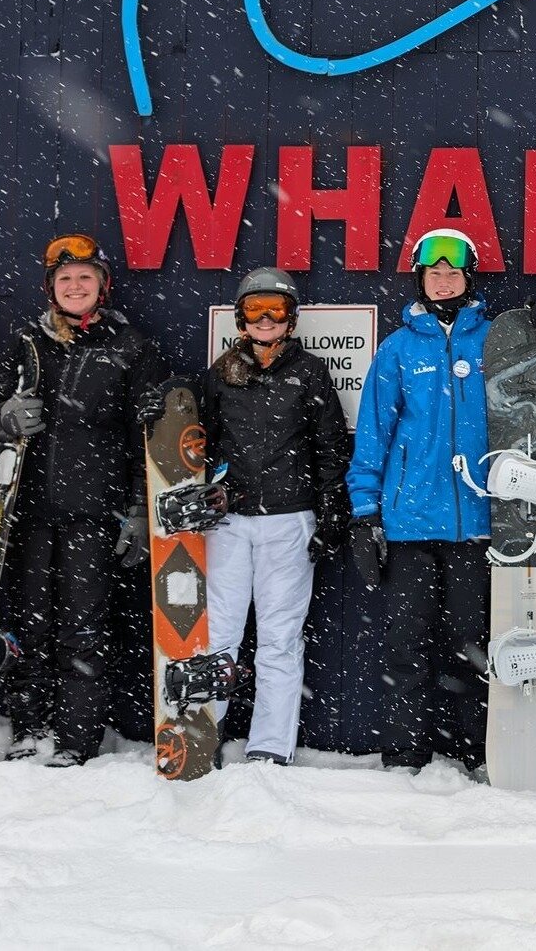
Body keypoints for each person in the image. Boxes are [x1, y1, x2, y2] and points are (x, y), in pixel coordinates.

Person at [0, 233, 166, 766]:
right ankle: (30, 728)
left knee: (85, 629)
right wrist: (2, 416)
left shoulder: (130, 347)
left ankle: (76, 739)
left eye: (85, 278)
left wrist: (136, 509)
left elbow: (145, 439)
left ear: (102, 286)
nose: (75, 286)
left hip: (95, 515)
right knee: (31, 625)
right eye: (65, 279)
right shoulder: (27, 344)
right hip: (30, 514)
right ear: (51, 288)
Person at [346, 227, 492, 774]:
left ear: (468, 276)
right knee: (406, 647)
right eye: (434, 272)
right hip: (410, 527)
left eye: (453, 272)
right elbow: (373, 437)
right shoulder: (399, 349)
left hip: (476, 525)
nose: (444, 280)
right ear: (421, 278)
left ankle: (474, 753)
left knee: (471, 647)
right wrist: (365, 516)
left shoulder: (492, 341)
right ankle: (405, 755)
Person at [195, 266, 351, 764]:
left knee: (280, 638)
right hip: (230, 520)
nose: (266, 319)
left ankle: (269, 747)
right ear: (240, 319)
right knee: (219, 633)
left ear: (291, 319)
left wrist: (330, 515)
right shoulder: (221, 374)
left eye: (276, 310)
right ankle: (202, 732)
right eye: (256, 309)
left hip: (289, 520)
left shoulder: (310, 373)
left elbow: (329, 448)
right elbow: (201, 443)